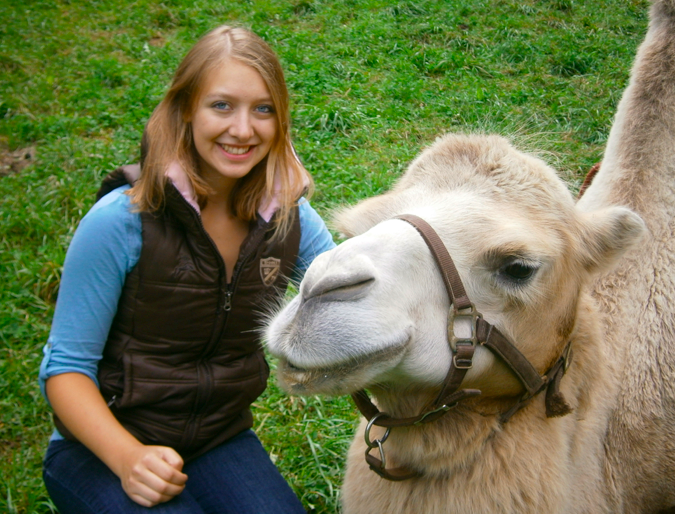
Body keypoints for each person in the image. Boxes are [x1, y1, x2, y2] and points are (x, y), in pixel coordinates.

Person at [39, 25, 335, 514]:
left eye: (263, 109)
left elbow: (349, 289)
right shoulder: (121, 221)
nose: (243, 129)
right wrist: (127, 458)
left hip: (218, 437)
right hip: (99, 446)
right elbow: (65, 369)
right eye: (222, 105)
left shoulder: (290, 219)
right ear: (186, 110)